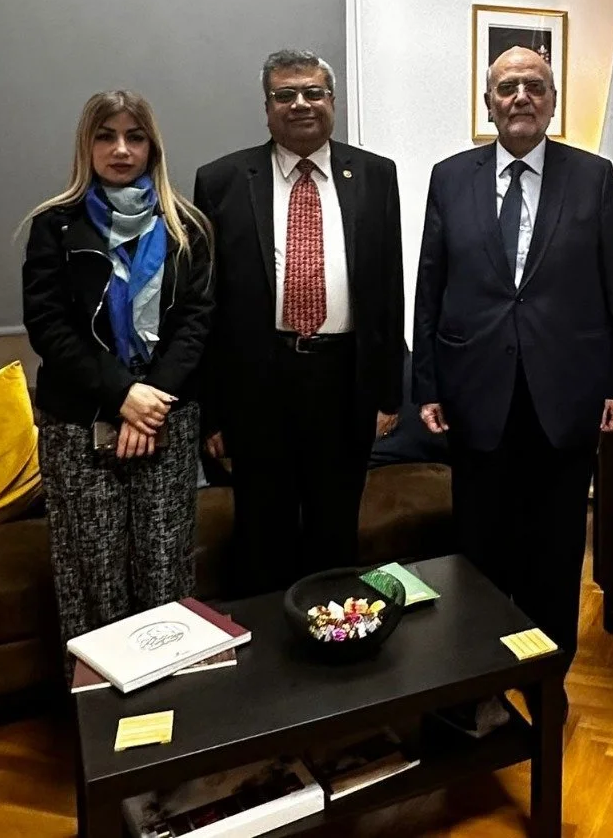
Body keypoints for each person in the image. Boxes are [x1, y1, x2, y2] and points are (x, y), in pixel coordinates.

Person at [412, 46, 613, 705]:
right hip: (474, 391)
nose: (520, 96)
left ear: (552, 100)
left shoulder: (593, 178)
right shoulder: (450, 177)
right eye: (506, 86)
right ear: (487, 102)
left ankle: (546, 677)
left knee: (556, 549)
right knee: (480, 548)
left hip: (562, 396)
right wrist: (426, 383)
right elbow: (430, 284)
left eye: (534, 86)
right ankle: (481, 673)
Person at [193, 49, 404, 597]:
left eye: (313, 92)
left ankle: (335, 646)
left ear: (332, 101)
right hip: (260, 385)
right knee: (263, 532)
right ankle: (270, 665)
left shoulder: (376, 175)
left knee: (336, 530)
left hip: (345, 380)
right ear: (266, 108)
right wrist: (211, 414)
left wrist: (388, 392)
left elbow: (387, 289)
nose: (301, 104)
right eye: (285, 95)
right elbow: (206, 308)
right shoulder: (220, 181)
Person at [22, 89, 213, 661]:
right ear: (88, 145)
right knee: (95, 577)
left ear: (152, 144)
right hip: (80, 425)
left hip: (165, 420)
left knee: (165, 572)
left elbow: (198, 323)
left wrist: (149, 403)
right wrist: (122, 394)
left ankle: (173, 725)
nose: (122, 149)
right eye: (106, 136)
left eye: (134, 136)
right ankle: (103, 729)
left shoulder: (188, 226)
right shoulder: (54, 226)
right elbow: (49, 329)